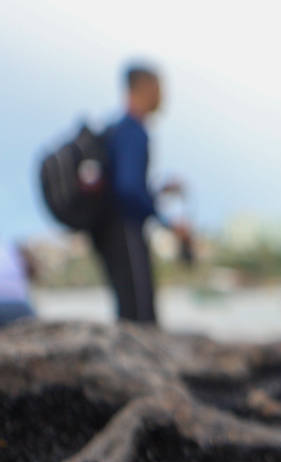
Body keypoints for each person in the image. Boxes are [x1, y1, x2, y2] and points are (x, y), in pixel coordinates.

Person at [92, 63, 190, 325]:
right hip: (124, 230)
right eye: (159, 89)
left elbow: (125, 185)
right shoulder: (132, 131)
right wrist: (167, 222)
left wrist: (158, 190)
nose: (163, 97)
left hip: (112, 229)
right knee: (140, 313)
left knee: (131, 306)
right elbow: (127, 190)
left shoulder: (118, 130)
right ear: (144, 88)